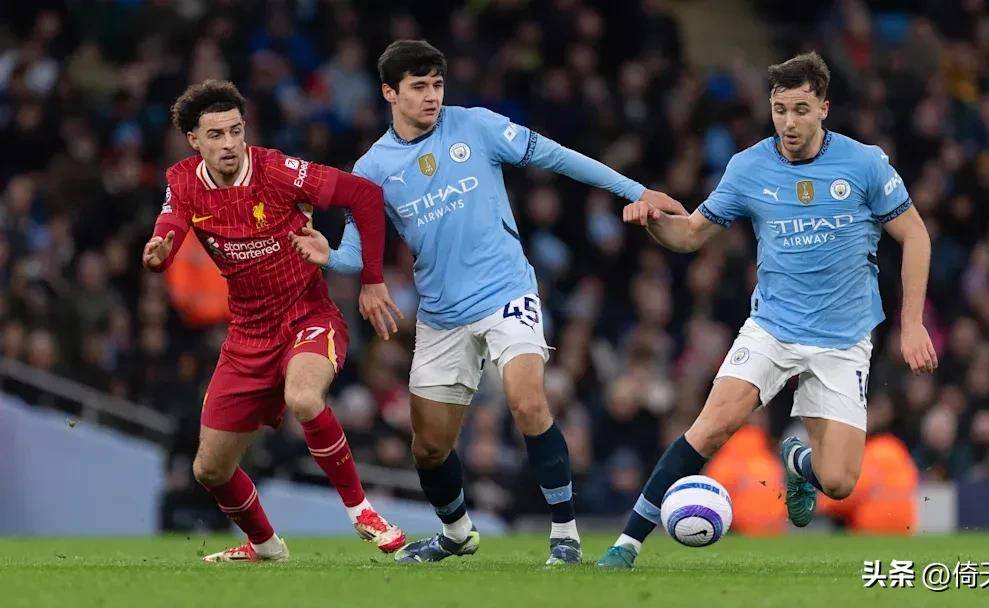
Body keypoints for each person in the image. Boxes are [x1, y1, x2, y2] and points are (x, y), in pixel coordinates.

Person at [288, 39, 683, 566]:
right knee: (429, 447)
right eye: (418, 87)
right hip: (440, 316)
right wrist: (330, 256)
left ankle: (565, 534)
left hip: (506, 292)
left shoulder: (475, 126)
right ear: (389, 93)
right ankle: (456, 534)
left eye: (437, 85)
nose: (432, 96)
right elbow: (359, 254)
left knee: (528, 401)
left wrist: (636, 190)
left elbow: (558, 157)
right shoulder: (372, 169)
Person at [596, 51, 938, 568]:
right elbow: (690, 234)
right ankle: (626, 544)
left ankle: (798, 462)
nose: (789, 122)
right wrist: (653, 221)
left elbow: (915, 235)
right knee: (710, 427)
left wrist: (911, 325)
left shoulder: (864, 164)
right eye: (780, 110)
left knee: (840, 482)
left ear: (823, 108)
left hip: (844, 340)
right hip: (772, 329)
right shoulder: (749, 167)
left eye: (800, 109)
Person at [142, 79, 406, 563]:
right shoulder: (182, 180)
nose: (229, 143)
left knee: (303, 397)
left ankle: (362, 512)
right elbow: (170, 228)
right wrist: (158, 252)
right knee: (209, 469)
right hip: (247, 335)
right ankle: (265, 546)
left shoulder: (278, 171)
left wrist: (371, 280)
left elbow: (365, 195)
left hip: (308, 316)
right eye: (216, 134)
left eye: (235, 131)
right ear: (194, 140)